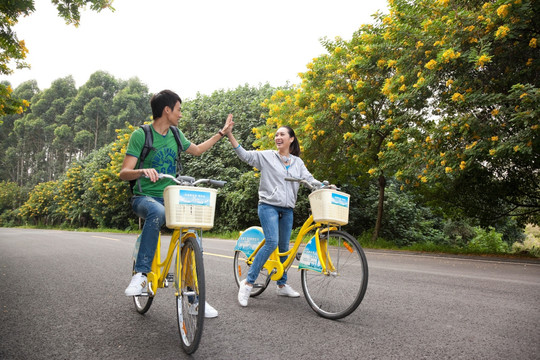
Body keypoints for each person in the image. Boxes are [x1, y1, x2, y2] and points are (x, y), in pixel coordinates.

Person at [119, 89, 233, 318]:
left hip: (172, 197)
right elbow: (124, 173)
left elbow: (198, 150)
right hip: (144, 197)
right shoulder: (141, 135)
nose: (181, 114)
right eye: (179, 109)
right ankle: (141, 275)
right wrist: (143, 171)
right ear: (167, 110)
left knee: (192, 231)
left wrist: (222, 133)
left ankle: (193, 297)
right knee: (157, 212)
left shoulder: (175, 134)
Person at [225, 125, 321, 307]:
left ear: (291, 139)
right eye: (276, 134)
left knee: (284, 247)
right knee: (272, 242)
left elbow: (309, 179)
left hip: (287, 209)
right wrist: (230, 135)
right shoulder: (267, 156)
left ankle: (282, 284)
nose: (278, 137)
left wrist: (323, 185)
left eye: (282, 134)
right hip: (268, 205)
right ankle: (248, 283)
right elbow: (245, 155)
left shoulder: (297, 163)